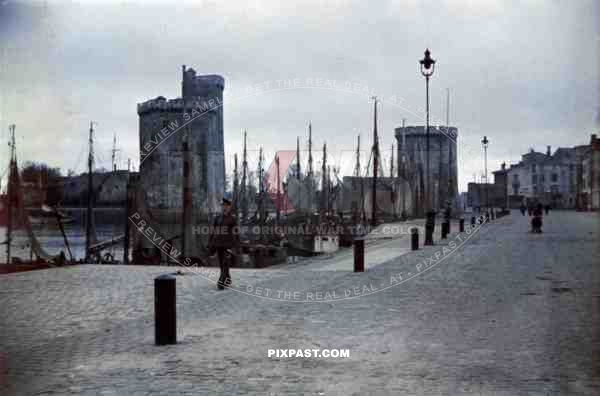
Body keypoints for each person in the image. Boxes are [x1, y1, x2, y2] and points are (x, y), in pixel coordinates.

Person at [209, 197, 240, 290]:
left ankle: (221, 281)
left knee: (225, 262)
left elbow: (236, 232)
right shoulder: (217, 218)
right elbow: (213, 231)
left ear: (229, 207)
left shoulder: (232, 219)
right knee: (221, 264)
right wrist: (210, 243)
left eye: (226, 206)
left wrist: (237, 245)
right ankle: (227, 278)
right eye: (223, 206)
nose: (224, 207)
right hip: (218, 244)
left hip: (228, 244)